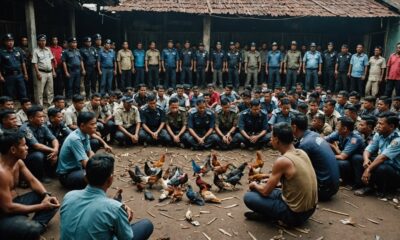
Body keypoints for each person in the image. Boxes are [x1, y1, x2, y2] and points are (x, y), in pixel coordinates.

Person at [60, 153, 153, 240]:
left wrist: (115, 207)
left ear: (85, 178)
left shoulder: (68, 196)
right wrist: (122, 219)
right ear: (110, 180)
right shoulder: (114, 209)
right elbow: (127, 237)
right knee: (147, 225)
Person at [244, 122, 317, 226]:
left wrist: (254, 185)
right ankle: (271, 213)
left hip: (295, 215)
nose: (270, 139)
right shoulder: (301, 152)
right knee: (264, 191)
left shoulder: (283, 161)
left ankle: (275, 217)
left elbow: (265, 192)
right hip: (310, 209)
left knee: (249, 197)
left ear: (277, 140)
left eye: (272, 136)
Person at [0, 132, 59, 240]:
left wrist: (45, 195)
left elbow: (32, 180)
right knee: (32, 227)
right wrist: (42, 206)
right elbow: (8, 208)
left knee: (51, 200)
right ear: (13, 150)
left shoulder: (18, 162)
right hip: (3, 213)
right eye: (24, 145)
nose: (27, 147)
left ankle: (28, 231)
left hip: (14, 203)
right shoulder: (1, 173)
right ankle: (29, 231)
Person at [291, 114, 339, 201]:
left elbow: (298, 170)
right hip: (334, 187)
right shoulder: (314, 134)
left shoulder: (305, 144)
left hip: (323, 191)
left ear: (294, 127)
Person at [358, 112, 400, 196]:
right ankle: (366, 185)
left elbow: (383, 157)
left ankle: (383, 191)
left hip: (395, 171)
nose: (377, 126)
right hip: (383, 163)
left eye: (381, 124)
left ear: (391, 126)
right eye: (377, 123)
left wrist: (368, 169)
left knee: (381, 167)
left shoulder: (398, 140)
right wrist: (366, 160)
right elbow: (368, 149)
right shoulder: (379, 134)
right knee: (359, 159)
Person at [57, 112, 97, 189]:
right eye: (92, 124)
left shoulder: (85, 133)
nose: (95, 126)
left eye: (95, 123)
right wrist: (98, 168)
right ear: (82, 126)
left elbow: (90, 152)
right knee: (95, 175)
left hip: (78, 169)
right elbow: (86, 163)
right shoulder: (75, 139)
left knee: (98, 169)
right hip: (67, 175)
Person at [19, 105, 59, 182]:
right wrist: (53, 150)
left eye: (43, 117)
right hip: (28, 155)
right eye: (40, 117)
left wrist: (55, 150)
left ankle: (52, 172)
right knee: (38, 155)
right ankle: (40, 176)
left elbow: (54, 139)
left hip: (40, 150)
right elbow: (36, 145)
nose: (42, 119)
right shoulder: (25, 128)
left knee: (58, 146)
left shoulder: (43, 126)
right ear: (31, 118)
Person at [325, 117, 365, 190]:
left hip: (357, 163)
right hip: (347, 158)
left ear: (344, 129)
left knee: (346, 161)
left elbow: (342, 157)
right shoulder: (339, 133)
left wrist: (330, 152)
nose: (336, 127)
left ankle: (357, 183)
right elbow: (325, 139)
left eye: (338, 126)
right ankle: (344, 180)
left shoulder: (355, 138)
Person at [0, 33, 28, 100]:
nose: (10, 42)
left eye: (12, 41)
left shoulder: (18, 50)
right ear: (5, 42)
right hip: (9, 76)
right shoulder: (1, 52)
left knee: (23, 92)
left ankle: (24, 108)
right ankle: (10, 109)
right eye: (8, 41)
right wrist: (0, 76)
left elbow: (22, 62)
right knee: (9, 93)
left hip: (19, 75)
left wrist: (25, 73)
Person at [32, 34, 56, 105]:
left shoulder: (48, 49)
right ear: (38, 42)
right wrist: (37, 73)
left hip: (50, 72)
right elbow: (34, 63)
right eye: (41, 41)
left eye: (44, 41)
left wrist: (53, 71)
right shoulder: (35, 51)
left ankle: (50, 103)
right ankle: (40, 105)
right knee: (40, 90)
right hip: (41, 72)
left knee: (50, 89)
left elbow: (51, 61)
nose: (43, 42)